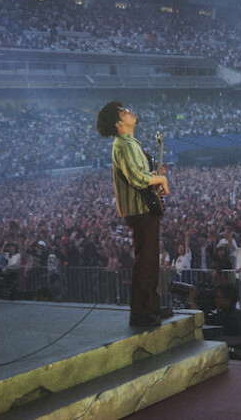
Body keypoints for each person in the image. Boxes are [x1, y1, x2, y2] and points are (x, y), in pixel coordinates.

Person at [96, 101, 170, 328]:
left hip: (143, 207)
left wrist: (155, 174)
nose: (130, 110)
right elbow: (137, 178)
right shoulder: (124, 145)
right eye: (124, 111)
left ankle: (152, 306)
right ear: (119, 123)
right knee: (145, 262)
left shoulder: (129, 143)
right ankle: (141, 312)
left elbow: (141, 174)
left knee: (150, 260)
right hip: (139, 209)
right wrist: (160, 179)